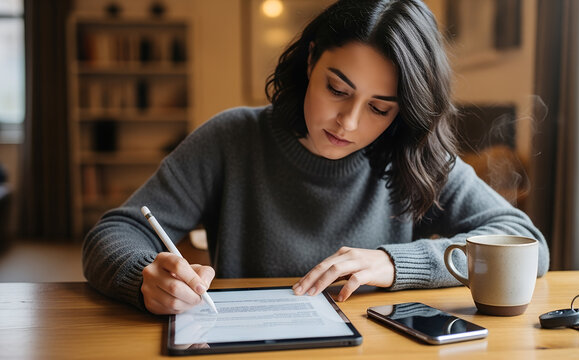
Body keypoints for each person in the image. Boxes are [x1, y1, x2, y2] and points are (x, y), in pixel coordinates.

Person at [83, 0, 549, 315]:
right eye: (337, 89)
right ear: (310, 62)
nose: (348, 121)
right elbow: (114, 232)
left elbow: (525, 240)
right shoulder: (233, 138)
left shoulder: (412, 155)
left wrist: (394, 264)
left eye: (379, 107)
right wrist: (143, 278)